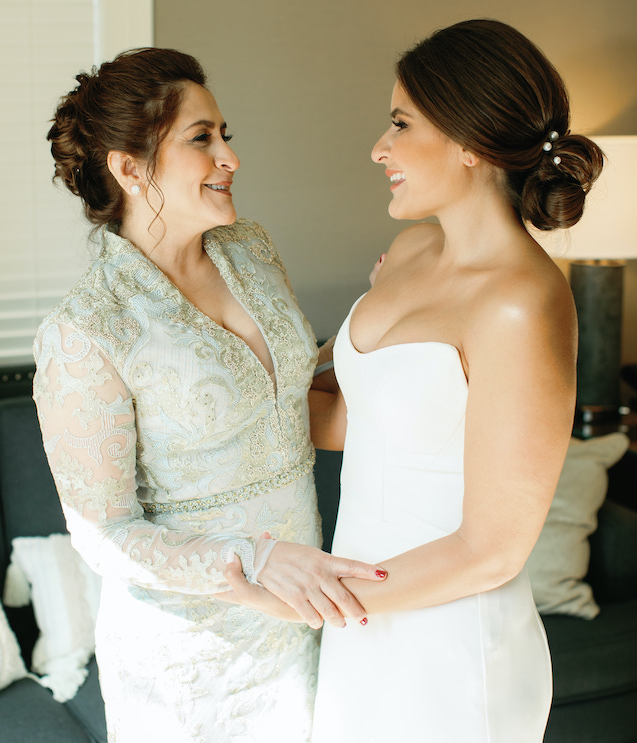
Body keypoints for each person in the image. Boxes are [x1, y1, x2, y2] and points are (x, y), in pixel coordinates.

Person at [33, 47, 385, 743]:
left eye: (226, 135)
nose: (230, 157)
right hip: (190, 660)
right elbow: (104, 534)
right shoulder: (86, 327)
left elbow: (280, 391)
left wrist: (383, 319)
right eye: (202, 139)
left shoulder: (249, 247)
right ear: (129, 169)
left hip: (303, 619)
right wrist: (251, 558)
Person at [305, 19, 603, 742]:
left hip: (447, 645)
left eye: (401, 123)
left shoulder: (521, 301)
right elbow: (344, 422)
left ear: (470, 142)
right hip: (363, 627)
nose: (380, 148)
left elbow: (492, 548)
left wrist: (311, 600)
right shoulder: (409, 252)